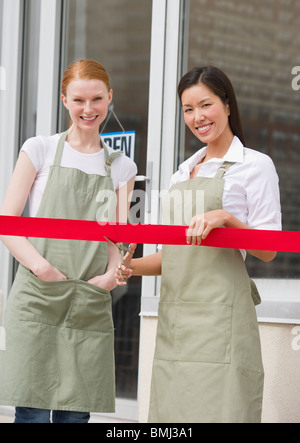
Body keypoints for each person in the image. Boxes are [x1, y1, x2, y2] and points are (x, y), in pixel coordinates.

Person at [116, 66, 282, 423]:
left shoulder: (254, 166)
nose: (197, 117)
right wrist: (127, 266)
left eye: (205, 105)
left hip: (222, 321)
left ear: (226, 103)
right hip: (178, 321)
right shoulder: (181, 172)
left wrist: (226, 218)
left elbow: (269, 249)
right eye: (188, 109)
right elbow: (175, 255)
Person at [0, 59, 137, 423]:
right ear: (64, 100)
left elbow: (120, 239)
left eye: (96, 99)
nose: (88, 109)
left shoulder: (123, 167)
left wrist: (110, 277)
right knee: (30, 410)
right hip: (39, 294)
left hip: (88, 297)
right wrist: (42, 267)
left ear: (110, 97)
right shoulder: (40, 149)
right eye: (78, 100)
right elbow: (8, 223)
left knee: (74, 415)